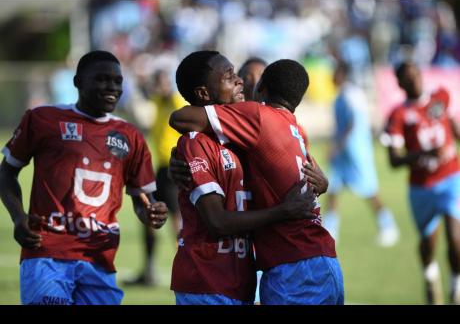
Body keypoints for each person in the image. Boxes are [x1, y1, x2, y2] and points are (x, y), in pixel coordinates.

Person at [170, 55, 344, 305]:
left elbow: (307, 176)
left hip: (275, 268)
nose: (243, 83)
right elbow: (216, 220)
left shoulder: (261, 129)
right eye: (234, 77)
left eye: (252, 79)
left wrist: (321, 184)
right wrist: (177, 162)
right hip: (211, 277)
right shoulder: (202, 141)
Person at [0, 50, 168, 305]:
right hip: (47, 252)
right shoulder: (43, 119)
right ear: (78, 82)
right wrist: (18, 217)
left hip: (99, 258)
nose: (111, 87)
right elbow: (6, 173)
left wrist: (152, 212)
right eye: (101, 79)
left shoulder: (130, 135)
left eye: (117, 81)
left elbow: (142, 201)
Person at [382, 61, 460, 305]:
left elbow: (456, 129)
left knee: (455, 237)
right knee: (428, 242)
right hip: (421, 187)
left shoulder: (441, 97)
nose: (415, 79)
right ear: (400, 83)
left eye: (416, 73)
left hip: (450, 178)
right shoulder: (398, 115)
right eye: (408, 77)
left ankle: (456, 283)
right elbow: (394, 161)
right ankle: (430, 274)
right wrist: (423, 154)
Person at [323, 60, 400, 246]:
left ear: (341, 74)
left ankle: (389, 227)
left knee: (368, 191)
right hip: (342, 155)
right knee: (332, 189)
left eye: (335, 73)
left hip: (356, 152)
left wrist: (339, 145)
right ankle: (330, 231)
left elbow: (354, 123)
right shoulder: (341, 95)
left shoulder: (351, 94)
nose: (332, 77)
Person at [124, 69, 186, 287]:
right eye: (159, 82)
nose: (162, 86)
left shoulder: (176, 101)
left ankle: (189, 268)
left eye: (164, 82)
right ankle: (148, 270)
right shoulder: (159, 102)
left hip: (174, 170)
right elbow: (146, 96)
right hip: (160, 169)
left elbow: (176, 105)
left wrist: (165, 90)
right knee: (149, 216)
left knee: (177, 220)